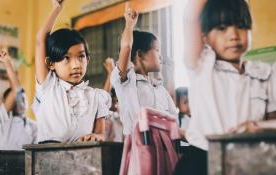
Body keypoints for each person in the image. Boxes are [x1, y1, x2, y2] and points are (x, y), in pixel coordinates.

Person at [174, 0, 276, 174]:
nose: (234, 35)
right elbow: (190, 18)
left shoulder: (264, 74)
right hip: (201, 159)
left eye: (241, 26)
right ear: (204, 36)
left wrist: (258, 126)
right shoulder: (202, 65)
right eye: (222, 28)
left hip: (247, 160)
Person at [33, 0, 111, 143]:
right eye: (66, 58)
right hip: (46, 156)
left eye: (81, 56)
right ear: (51, 64)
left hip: (81, 158)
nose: (76, 65)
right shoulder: (49, 86)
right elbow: (40, 41)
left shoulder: (96, 97)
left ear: (88, 59)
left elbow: (101, 134)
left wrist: (96, 137)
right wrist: (56, 10)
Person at [110, 5, 177, 136]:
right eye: (156, 50)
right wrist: (129, 25)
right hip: (140, 148)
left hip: (165, 147)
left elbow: (173, 121)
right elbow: (126, 47)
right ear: (140, 55)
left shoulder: (160, 89)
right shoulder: (127, 82)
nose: (160, 56)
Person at [103, 57, 123, 142]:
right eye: (112, 101)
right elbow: (103, 99)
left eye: (117, 101)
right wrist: (110, 73)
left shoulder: (121, 116)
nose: (115, 104)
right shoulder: (107, 117)